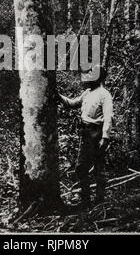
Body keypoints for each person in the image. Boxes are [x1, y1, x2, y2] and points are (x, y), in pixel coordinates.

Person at [58, 66, 113, 209]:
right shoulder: (87, 93)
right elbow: (72, 103)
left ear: (99, 78)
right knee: (81, 168)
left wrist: (105, 137)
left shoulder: (104, 94)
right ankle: (86, 201)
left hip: (98, 133)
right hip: (86, 133)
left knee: (98, 168)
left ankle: (99, 200)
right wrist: (58, 95)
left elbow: (108, 117)